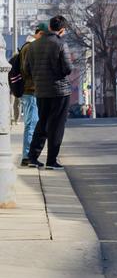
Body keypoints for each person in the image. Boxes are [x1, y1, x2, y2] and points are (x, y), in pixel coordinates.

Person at [25, 14, 74, 171]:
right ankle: (51, 161)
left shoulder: (33, 46)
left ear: (50, 27)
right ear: (62, 30)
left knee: (42, 123)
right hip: (60, 91)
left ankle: (32, 158)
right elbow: (68, 68)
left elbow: (27, 69)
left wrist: (39, 77)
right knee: (56, 126)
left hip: (41, 91)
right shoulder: (61, 44)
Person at [13, 23, 45, 166]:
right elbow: (27, 70)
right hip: (30, 90)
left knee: (32, 123)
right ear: (40, 34)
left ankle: (28, 155)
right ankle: (27, 156)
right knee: (31, 124)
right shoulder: (30, 47)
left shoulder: (29, 46)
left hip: (31, 91)